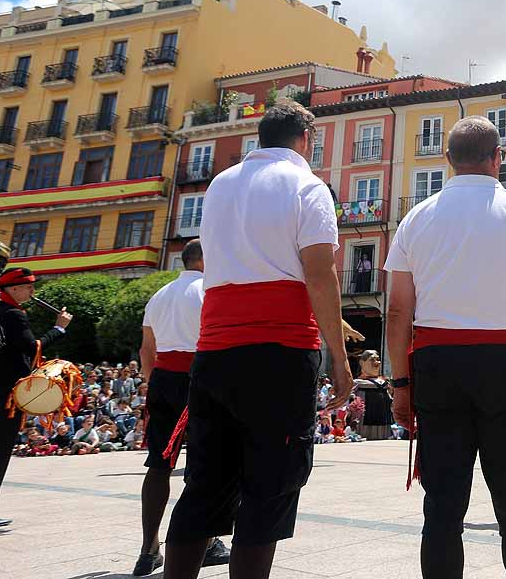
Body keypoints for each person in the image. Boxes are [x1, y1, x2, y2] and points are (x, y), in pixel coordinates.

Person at [163, 100, 353, 579]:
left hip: (215, 350)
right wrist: (340, 356)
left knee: (204, 482)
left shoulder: (219, 186)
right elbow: (320, 272)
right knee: (270, 485)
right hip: (282, 352)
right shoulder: (309, 187)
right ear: (306, 140)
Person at [385, 116, 506, 579]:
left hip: (436, 364)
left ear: (447, 160)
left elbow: (399, 314)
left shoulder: (416, 220)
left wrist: (400, 385)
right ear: (497, 159)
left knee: (442, 506)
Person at [133, 239, 230, 576]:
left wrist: (152, 383)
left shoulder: (159, 295)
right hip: (199, 378)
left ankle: (148, 549)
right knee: (208, 463)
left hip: (162, 379)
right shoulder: (210, 290)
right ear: (205, 259)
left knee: (159, 464)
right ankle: (207, 542)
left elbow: (147, 349)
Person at [0, 258, 72, 529]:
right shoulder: (14, 313)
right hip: (7, 395)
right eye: (29, 288)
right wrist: (59, 329)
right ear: (16, 288)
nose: (32, 292)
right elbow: (32, 348)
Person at [352, 350, 393, 441]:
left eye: (378, 359)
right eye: (372, 360)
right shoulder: (357, 383)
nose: (377, 362)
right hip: (366, 417)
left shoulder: (384, 383)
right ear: (362, 363)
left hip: (383, 417)